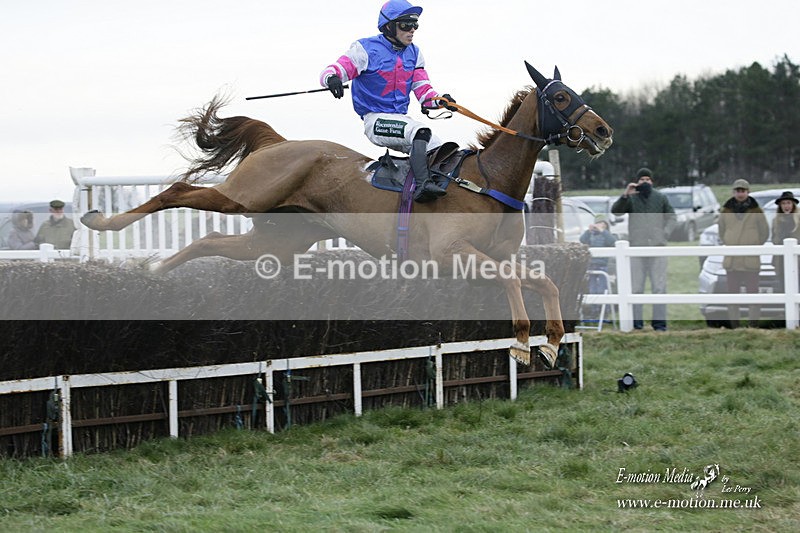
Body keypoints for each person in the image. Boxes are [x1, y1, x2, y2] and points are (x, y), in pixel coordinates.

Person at [320, 0, 456, 203]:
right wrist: (332, 79)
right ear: (389, 26)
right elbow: (335, 69)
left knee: (440, 149)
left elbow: (424, 92)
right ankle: (422, 188)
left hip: (402, 120)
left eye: (415, 25)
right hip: (375, 121)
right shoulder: (365, 48)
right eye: (406, 25)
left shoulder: (415, 53)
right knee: (420, 132)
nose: (412, 30)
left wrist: (440, 101)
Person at [611, 167, 676, 331]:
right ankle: (636, 324)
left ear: (652, 182)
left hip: (657, 248)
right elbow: (616, 212)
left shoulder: (660, 197)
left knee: (659, 288)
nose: (645, 182)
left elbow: (672, 217)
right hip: (636, 249)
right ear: (637, 182)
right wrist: (626, 195)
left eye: (648, 179)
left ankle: (659, 325)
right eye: (642, 180)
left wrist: (664, 233)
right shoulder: (631, 198)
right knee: (636, 289)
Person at [719, 179, 769, 328]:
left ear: (748, 192)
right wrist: (731, 241)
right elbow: (722, 232)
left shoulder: (757, 211)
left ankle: (753, 325)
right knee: (732, 294)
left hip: (750, 260)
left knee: (753, 293)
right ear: (733, 192)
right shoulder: (726, 211)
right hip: (732, 261)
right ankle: (735, 325)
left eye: (743, 191)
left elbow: (764, 233)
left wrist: (753, 245)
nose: (740, 194)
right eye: (738, 191)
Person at [579, 216, 617, 318]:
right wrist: (588, 231)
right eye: (598, 223)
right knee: (592, 289)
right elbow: (582, 240)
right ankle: (594, 310)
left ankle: (604, 310)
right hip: (591, 265)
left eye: (603, 224)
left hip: (603, 266)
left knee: (602, 289)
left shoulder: (608, 235)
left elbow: (612, 242)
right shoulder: (590, 235)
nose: (600, 226)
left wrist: (603, 231)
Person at [770, 190, 800, 291]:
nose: (786, 206)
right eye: (783, 203)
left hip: (798, 260)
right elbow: (774, 239)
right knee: (784, 288)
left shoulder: (798, 220)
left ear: (793, 204)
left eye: (788, 203)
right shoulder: (776, 221)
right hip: (782, 261)